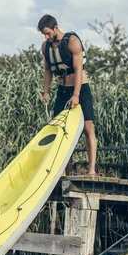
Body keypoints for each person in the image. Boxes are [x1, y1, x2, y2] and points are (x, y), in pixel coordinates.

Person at [37, 14, 97, 176]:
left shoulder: (72, 42)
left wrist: (76, 95)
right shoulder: (46, 47)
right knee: (58, 129)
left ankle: (91, 170)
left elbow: (79, 70)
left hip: (80, 88)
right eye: (44, 34)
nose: (47, 37)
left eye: (48, 33)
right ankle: (61, 172)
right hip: (62, 90)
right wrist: (46, 91)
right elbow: (48, 70)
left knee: (87, 127)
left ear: (56, 27)